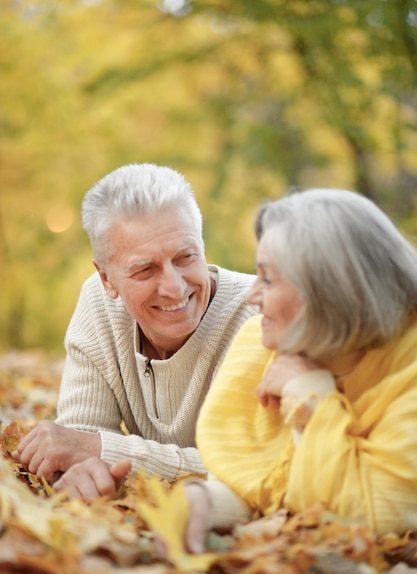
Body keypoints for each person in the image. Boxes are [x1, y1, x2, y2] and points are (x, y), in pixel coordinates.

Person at [180, 187, 417, 553]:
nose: (250, 295)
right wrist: (204, 504)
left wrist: (312, 397)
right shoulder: (259, 345)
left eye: (268, 279)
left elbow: (372, 519)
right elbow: (257, 482)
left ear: (331, 294)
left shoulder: (409, 370)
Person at [13, 163, 257, 497]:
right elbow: (78, 442)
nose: (174, 288)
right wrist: (84, 473)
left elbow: (257, 468)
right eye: (145, 270)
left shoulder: (260, 315)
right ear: (106, 279)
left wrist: (104, 452)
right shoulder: (99, 306)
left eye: (185, 257)